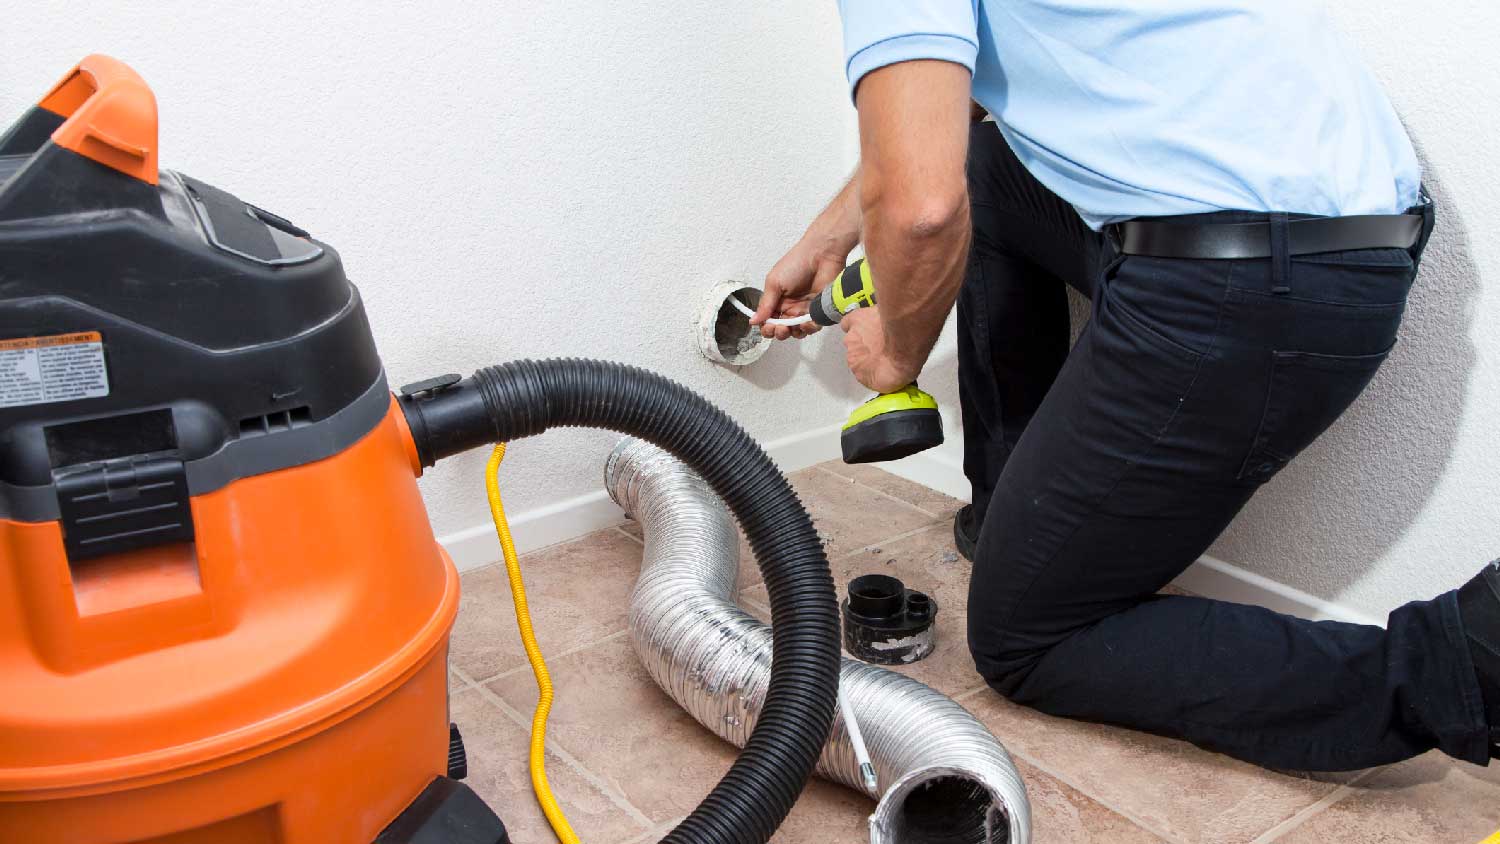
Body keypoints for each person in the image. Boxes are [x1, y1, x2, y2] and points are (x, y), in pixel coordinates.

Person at [752, 0, 1499, 771]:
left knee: (1021, 640)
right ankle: (1016, 515)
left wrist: (895, 363)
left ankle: (1461, 668)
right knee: (987, 171)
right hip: (1335, 240)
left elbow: (922, 214)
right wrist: (832, 236)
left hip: (1261, 286)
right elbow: (950, 123)